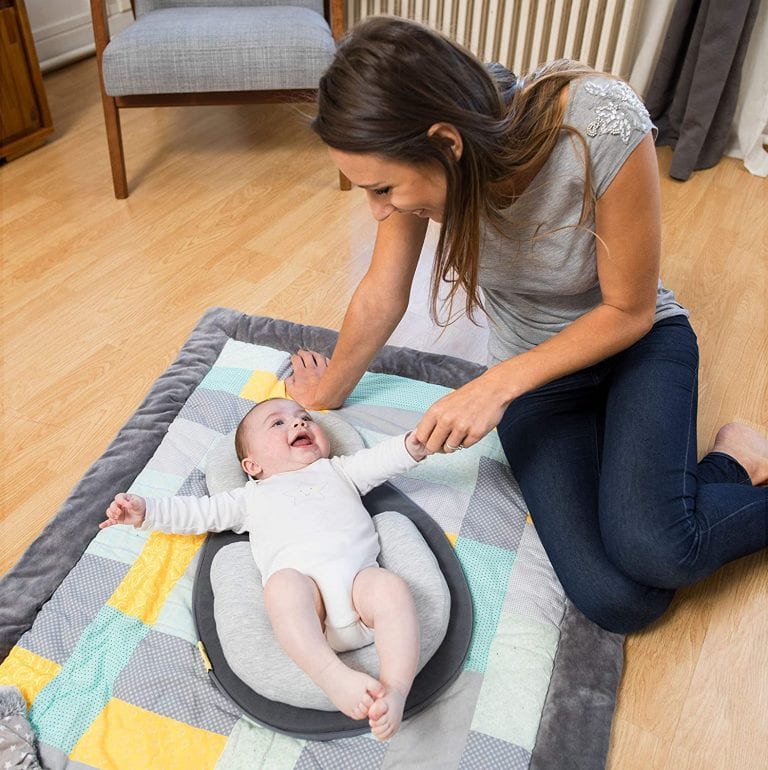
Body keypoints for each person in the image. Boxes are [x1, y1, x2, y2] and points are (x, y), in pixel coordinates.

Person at [286, 17, 768, 634]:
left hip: (636, 347)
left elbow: (630, 310)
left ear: (446, 143)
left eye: (382, 189)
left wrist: (495, 385)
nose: (379, 210)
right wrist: (326, 393)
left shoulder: (599, 124)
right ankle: (721, 464)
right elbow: (383, 292)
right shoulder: (418, 157)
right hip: (541, 376)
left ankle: (729, 460)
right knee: (622, 601)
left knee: (658, 549)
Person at [100, 397, 429, 740]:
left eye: (304, 418)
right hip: (310, 616)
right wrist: (145, 512)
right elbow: (197, 512)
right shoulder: (249, 498)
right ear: (252, 465)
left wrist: (415, 445)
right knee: (283, 586)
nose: (299, 424)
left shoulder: (340, 470)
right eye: (278, 423)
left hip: (362, 596)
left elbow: (382, 460)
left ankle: (395, 689)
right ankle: (332, 676)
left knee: (390, 587)